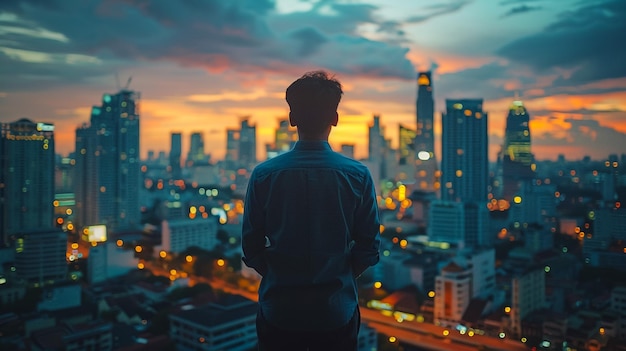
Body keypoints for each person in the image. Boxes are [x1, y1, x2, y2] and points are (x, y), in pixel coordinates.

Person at [242, 70, 381, 351]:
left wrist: (281, 274)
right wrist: (335, 275)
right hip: (335, 311)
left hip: (279, 309)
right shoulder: (357, 175)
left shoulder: (264, 175)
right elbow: (368, 248)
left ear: (292, 119)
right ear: (335, 119)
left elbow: (251, 248)